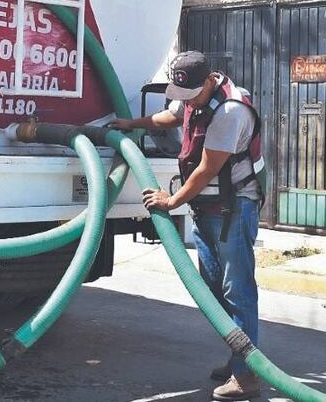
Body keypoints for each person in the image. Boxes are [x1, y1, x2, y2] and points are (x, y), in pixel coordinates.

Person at [111, 51, 264, 401]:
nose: (186, 102)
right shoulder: (192, 94)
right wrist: (132, 125)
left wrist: (171, 201)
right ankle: (240, 355)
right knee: (211, 287)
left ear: (208, 81)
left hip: (233, 207)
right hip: (207, 206)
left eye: (191, 95)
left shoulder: (230, 111)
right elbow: (171, 115)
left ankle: (248, 374)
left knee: (237, 290)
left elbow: (206, 169)